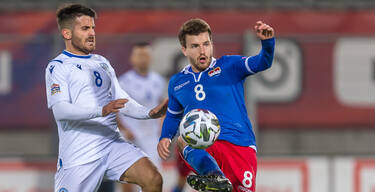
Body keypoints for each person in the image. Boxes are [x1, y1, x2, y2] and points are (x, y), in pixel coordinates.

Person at [45, 4, 167, 192]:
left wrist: (149, 113)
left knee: (153, 178)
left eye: (93, 27)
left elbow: (121, 100)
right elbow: (60, 111)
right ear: (67, 34)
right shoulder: (58, 67)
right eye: (85, 28)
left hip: (111, 144)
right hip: (79, 155)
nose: (92, 33)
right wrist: (101, 110)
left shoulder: (101, 62)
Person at [157, 18, 275, 192]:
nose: (202, 50)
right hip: (205, 145)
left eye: (206, 44)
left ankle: (216, 180)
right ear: (184, 50)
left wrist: (267, 43)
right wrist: (165, 137)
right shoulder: (177, 82)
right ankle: (214, 176)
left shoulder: (229, 65)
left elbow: (262, 62)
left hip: (239, 144)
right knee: (183, 139)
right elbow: (174, 115)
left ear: (212, 44)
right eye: (195, 46)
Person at [117, 42, 166, 192]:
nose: (143, 59)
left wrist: (162, 128)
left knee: (154, 178)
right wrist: (124, 129)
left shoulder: (158, 81)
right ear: (133, 59)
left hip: (150, 137)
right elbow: (115, 110)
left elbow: (163, 106)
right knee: (126, 178)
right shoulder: (124, 81)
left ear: (150, 58)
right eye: (139, 55)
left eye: (145, 55)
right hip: (129, 137)